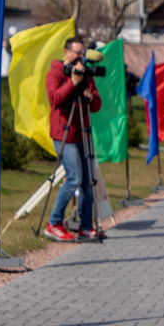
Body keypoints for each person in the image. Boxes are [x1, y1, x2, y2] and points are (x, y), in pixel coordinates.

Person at [44, 38, 102, 241]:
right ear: (66, 52)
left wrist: (90, 97)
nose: (80, 57)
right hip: (64, 133)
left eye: (82, 53)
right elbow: (55, 99)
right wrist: (73, 83)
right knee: (75, 178)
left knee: (87, 182)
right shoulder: (56, 72)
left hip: (82, 132)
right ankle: (53, 223)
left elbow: (96, 105)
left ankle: (85, 226)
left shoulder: (84, 72)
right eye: (77, 52)